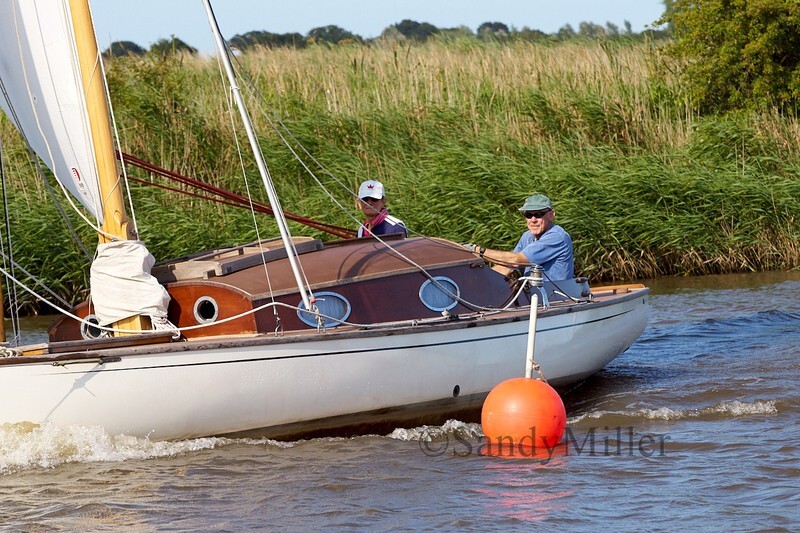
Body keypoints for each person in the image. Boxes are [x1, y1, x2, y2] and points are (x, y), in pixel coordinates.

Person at [466, 194, 574, 281]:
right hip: (532, 295)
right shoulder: (527, 236)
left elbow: (515, 260)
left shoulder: (557, 237)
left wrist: (478, 251)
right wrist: (478, 279)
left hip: (557, 297)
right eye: (528, 215)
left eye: (539, 214)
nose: (533, 220)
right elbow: (508, 267)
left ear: (551, 215)